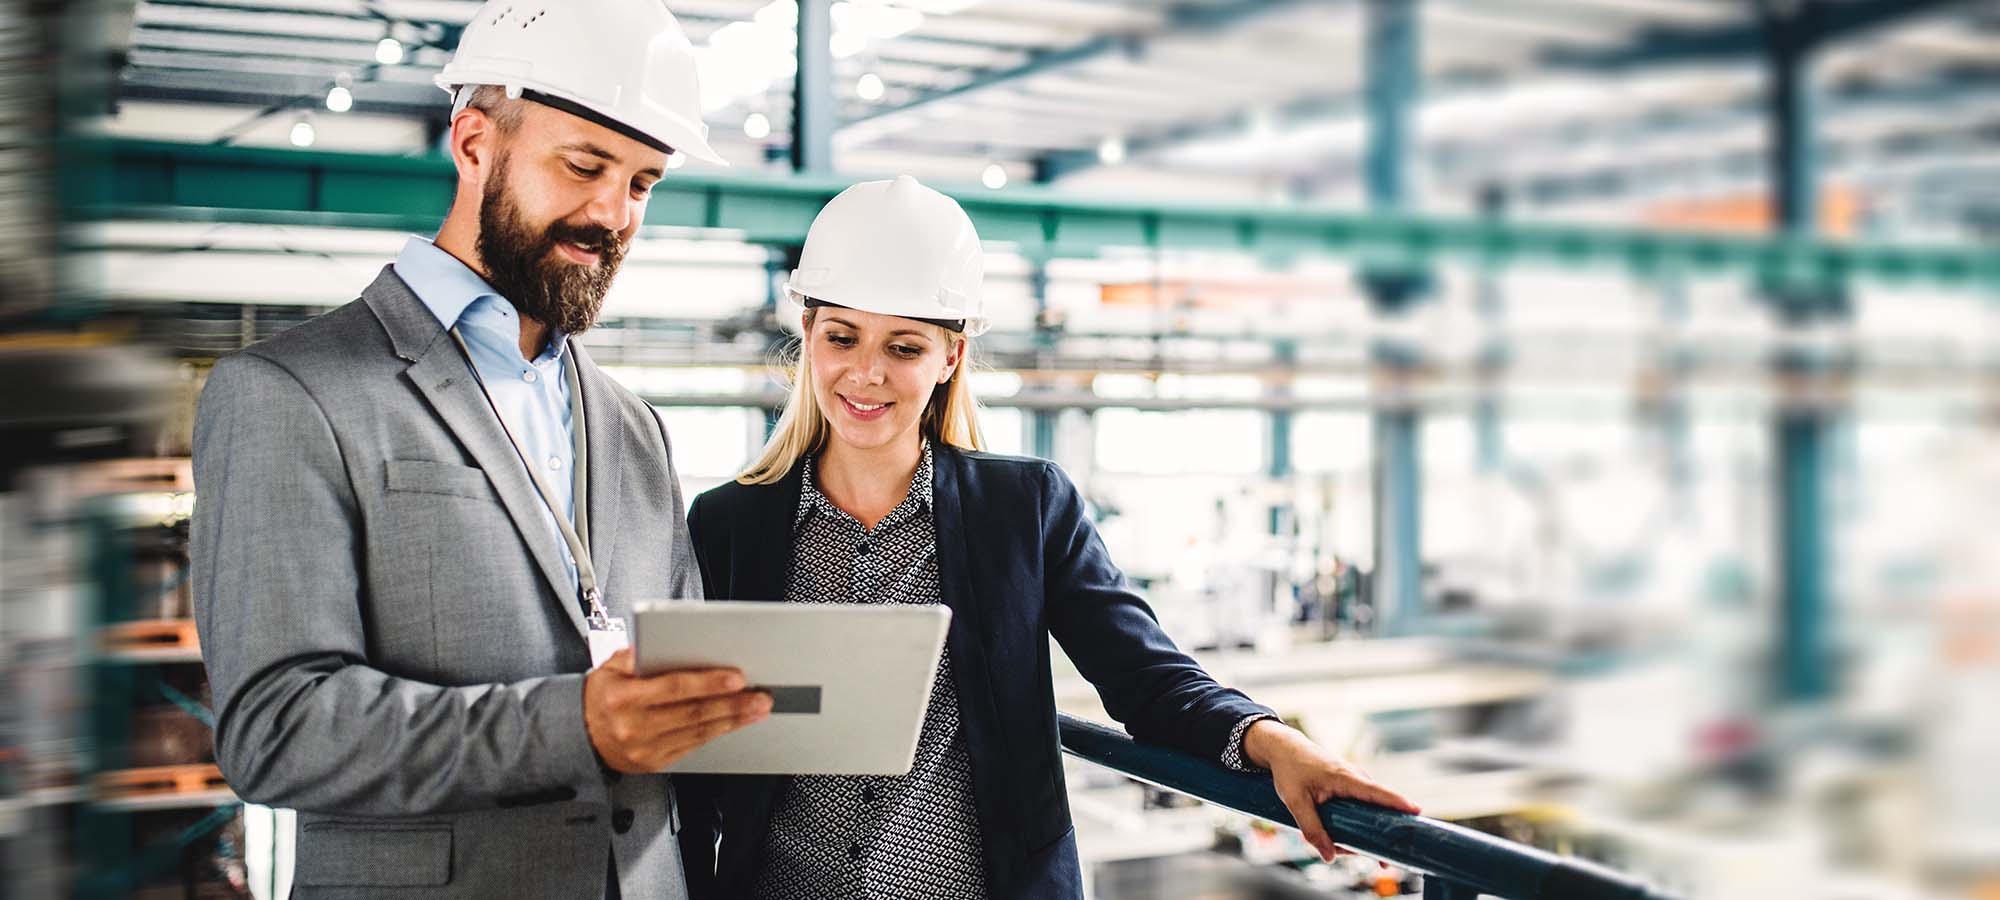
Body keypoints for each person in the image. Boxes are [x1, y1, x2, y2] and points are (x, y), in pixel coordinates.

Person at [679, 176, 1421, 899]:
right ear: (808, 334)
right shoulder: (729, 523)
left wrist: (1273, 741)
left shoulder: (1023, 509)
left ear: (950, 358)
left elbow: (1144, 674)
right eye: (843, 337)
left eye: (905, 348)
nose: (866, 373)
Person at [189, 2, 766, 898]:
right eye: (584, 166)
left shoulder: (633, 427)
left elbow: (674, 682)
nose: (612, 213)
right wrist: (574, 725)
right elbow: (276, 728)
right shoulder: (292, 393)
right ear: (472, 145)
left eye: (644, 184)